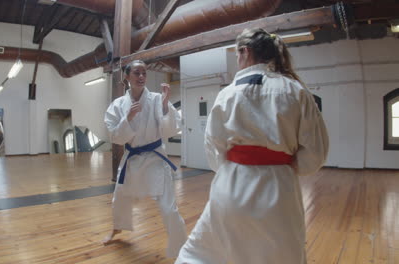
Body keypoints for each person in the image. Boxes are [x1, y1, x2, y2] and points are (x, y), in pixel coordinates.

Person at [175, 29, 329, 263]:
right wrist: (285, 165)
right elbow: (315, 153)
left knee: (201, 254)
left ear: (245, 52)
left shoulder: (227, 94)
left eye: (237, 55)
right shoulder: (295, 90)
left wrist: (233, 168)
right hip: (279, 189)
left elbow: (213, 147)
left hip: (231, 187)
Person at [103, 60, 187, 258]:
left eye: (144, 73)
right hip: (132, 158)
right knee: (120, 197)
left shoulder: (157, 99)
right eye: (136, 73)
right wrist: (128, 118)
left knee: (168, 207)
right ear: (127, 76)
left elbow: (170, 128)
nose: (141, 77)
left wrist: (166, 106)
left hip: (155, 158)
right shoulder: (118, 105)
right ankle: (117, 228)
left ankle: (181, 247)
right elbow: (115, 136)